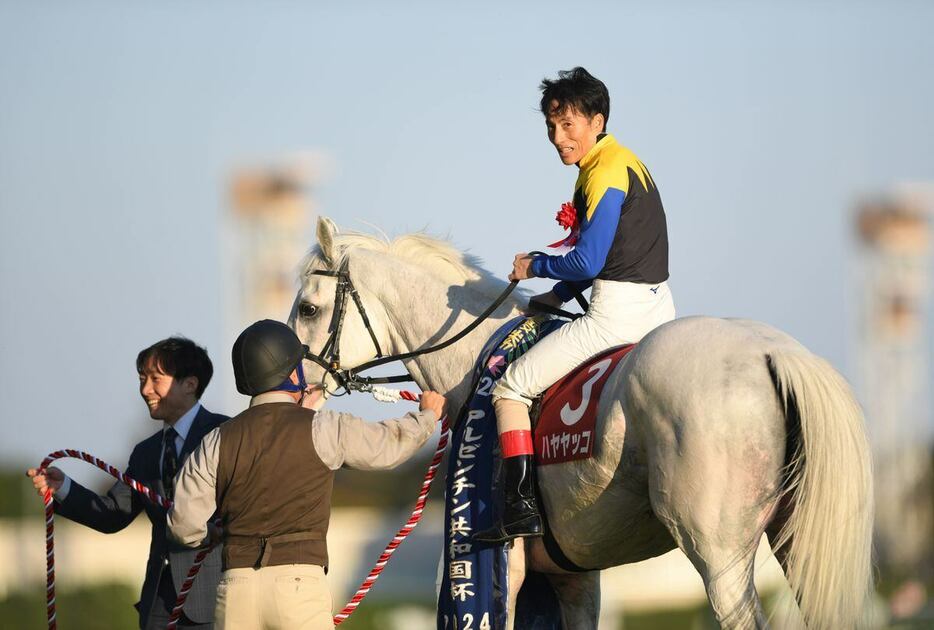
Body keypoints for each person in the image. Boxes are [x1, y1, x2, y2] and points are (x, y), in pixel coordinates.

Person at [474, 67, 676, 543]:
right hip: (660, 311)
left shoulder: (602, 171)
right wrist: (555, 296)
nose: (558, 138)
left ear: (597, 121)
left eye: (568, 125)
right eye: (551, 126)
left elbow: (587, 258)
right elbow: (592, 265)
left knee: (510, 389)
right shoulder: (622, 160)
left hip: (616, 318)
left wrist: (535, 267)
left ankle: (519, 511)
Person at [167, 319, 446, 630]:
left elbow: (183, 525)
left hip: (236, 591)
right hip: (298, 588)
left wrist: (213, 533)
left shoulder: (216, 440)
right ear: (291, 373)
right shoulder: (323, 426)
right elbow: (387, 447)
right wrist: (427, 415)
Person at [27, 337, 229, 629]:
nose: (145, 390)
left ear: (190, 384)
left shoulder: (226, 434)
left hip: (214, 598)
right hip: (158, 603)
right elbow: (114, 514)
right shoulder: (145, 453)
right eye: (142, 379)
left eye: (155, 379)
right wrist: (64, 489)